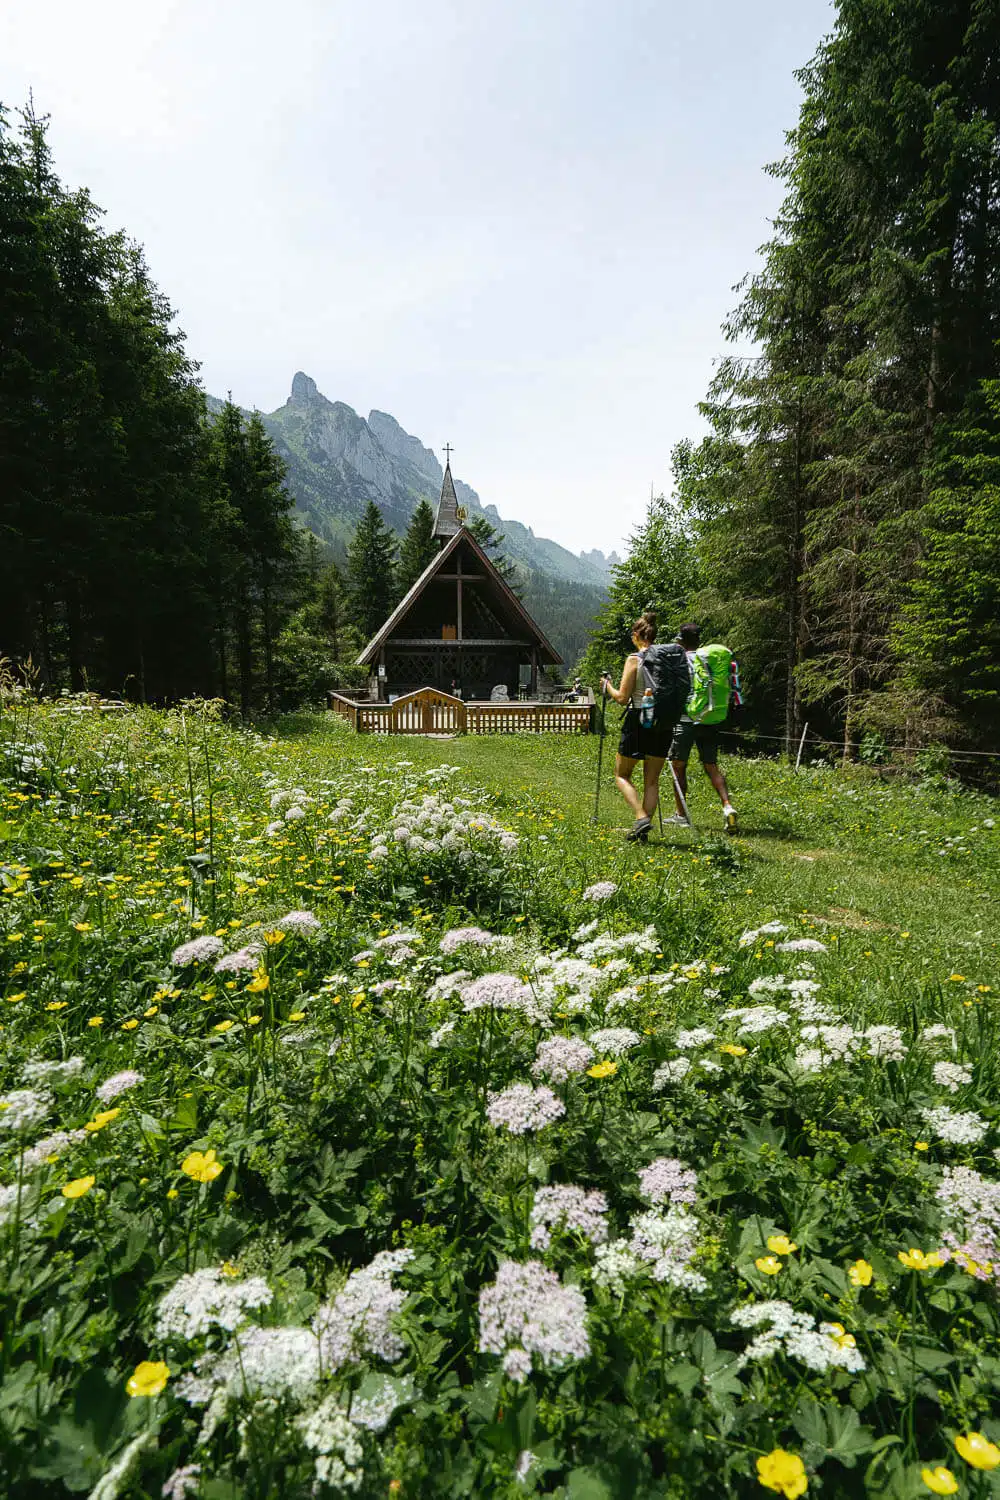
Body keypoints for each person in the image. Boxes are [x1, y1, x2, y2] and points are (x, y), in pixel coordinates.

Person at [600, 611, 670, 843]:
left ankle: (641, 818)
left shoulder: (634, 659)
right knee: (652, 780)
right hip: (663, 721)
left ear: (636, 635)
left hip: (639, 718)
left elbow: (622, 697)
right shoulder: (666, 657)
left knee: (622, 774)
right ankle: (642, 831)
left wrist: (607, 686)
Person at [668, 623, 738, 832]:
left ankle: (681, 815)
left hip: (687, 719)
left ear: (681, 641)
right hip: (710, 718)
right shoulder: (707, 660)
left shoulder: (682, 660)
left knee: (678, 766)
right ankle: (727, 806)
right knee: (711, 766)